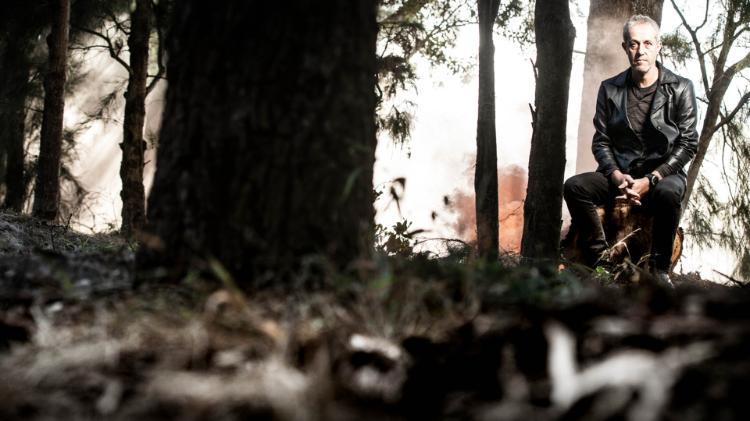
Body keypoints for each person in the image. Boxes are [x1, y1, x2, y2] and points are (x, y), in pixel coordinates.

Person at [563, 15, 698, 286]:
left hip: (663, 175)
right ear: (625, 47)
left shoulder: (681, 87)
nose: (641, 51)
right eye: (634, 44)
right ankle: (601, 262)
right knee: (575, 186)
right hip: (620, 175)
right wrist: (616, 176)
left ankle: (660, 270)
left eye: (648, 43)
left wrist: (653, 179)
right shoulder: (609, 88)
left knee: (670, 194)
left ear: (658, 46)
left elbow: (688, 144)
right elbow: (601, 141)